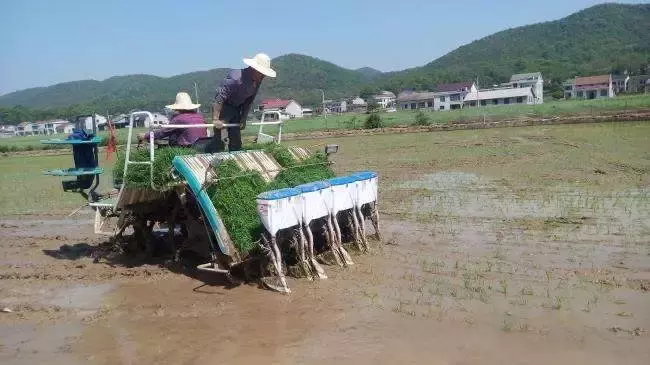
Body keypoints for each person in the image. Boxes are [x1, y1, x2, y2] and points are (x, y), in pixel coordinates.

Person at [211, 53, 276, 151]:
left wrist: (243, 118)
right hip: (224, 107)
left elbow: (249, 100)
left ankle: (235, 156)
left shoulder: (257, 80)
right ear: (254, 69)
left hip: (237, 108)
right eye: (262, 74)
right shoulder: (235, 79)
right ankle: (214, 154)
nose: (263, 77)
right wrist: (216, 119)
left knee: (236, 139)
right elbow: (219, 98)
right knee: (219, 136)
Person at [137, 92, 206, 147]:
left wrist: (146, 135)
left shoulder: (179, 118)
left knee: (161, 141)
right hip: (200, 147)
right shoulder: (200, 116)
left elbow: (163, 133)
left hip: (185, 147)